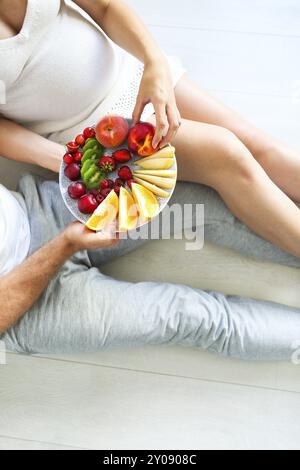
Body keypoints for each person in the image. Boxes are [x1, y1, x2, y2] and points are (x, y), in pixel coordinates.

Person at [1, 0, 300, 360]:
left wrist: (153, 62)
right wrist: (63, 159)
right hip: (96, 136)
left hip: (129, 77)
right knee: (229, 156)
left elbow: (106, 7)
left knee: (257, 147)